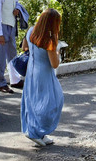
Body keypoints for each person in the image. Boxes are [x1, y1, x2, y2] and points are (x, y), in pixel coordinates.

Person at [19, 8, 65, 147]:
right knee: (53, 102)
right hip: (44, 73)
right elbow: (55, 64)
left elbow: (24, 48)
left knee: (33, 101)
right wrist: (57, 50)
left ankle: (39, 133)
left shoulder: (31, 31)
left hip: (32, 71)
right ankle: (34, 132)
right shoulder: (50, 40)